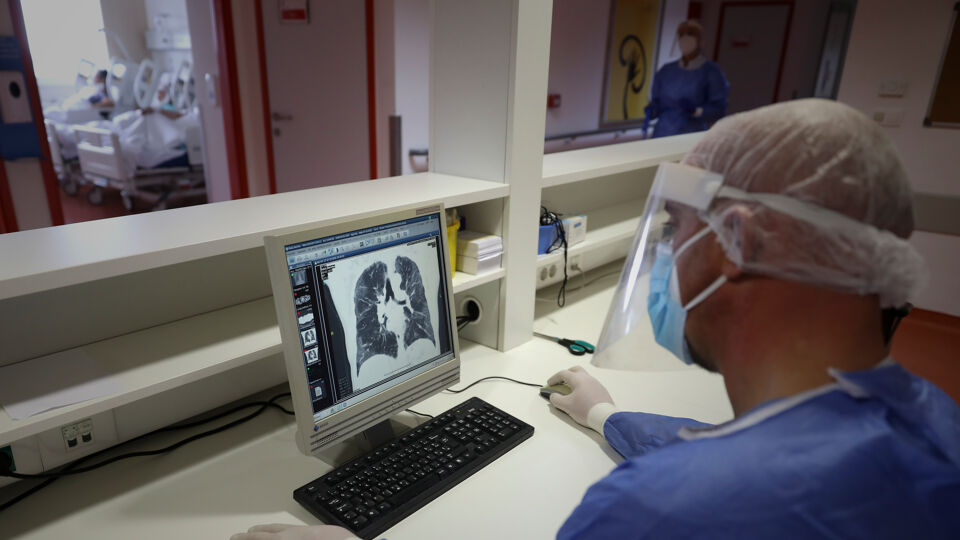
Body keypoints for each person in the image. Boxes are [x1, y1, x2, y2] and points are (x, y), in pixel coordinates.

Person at [550, 99, 960, 538]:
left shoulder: (644, 512)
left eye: (676, 226)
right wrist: (606, 416)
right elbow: (755, 451)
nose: (669, 251)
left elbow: (721, 481)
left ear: (737, 240)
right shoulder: (937, 421)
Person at [643, 20, 728, 138]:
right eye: (681, 34)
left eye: (690, 33)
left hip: (691, 135)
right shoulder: (666, 71)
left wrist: (697, 111)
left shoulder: (711, 72)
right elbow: (657, 105)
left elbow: (719, 110)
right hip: (663, 133)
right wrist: (651, 110)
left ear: (700, 39)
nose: (685, 38)